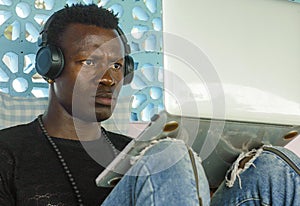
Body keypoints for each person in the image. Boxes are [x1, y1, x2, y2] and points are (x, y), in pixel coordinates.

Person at [0, 3, 299, 206]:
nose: (109, 79)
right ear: (50, 67)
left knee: (274, 164)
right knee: (168, 154)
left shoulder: (139, 151)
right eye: (89, 61)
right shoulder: (8, 150)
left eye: (117, 66)